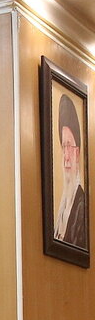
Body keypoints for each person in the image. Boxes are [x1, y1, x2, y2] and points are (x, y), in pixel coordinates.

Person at [55, 93, 88, 249]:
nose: (66, 157)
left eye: (70, 146)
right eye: (64, 147)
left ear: (78, 152)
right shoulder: (62, 208)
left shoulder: (82, 206)